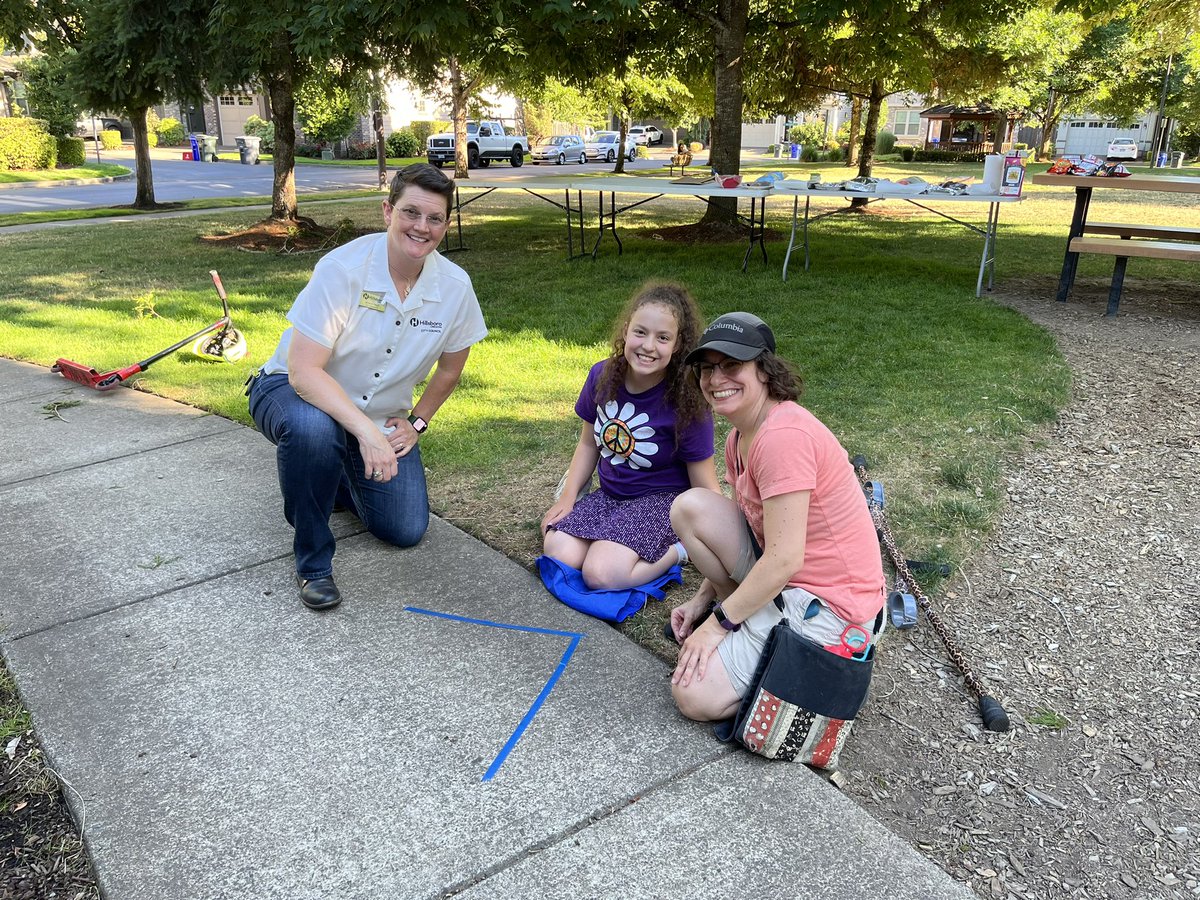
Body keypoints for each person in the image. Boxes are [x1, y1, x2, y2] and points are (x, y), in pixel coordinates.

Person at [248, 163, 487, 611]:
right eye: (410, 213)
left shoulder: (456, 287)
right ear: (387, 211)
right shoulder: (344, 269)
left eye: (435, 218)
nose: (421, 227)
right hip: (290, 391)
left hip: (375, 416)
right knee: (313, 431)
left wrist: (416, 423)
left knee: (405, 529)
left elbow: (451, 368)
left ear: (447, 224)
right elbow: (304, 373)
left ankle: (330, 471)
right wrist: (368, 434)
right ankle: (313, 565)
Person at [667, 312, 885, 721]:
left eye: (732, 365)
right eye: (707, 368)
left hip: (835, 606)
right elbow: (754, 530)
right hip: (789, 581)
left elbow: (785, 558)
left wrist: (717, 627)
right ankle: (753, 624)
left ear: (765, 371)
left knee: (693, 697)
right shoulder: (739, 436)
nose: (716, 380)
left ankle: (772, 642)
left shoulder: (783, 437)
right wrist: (703, 601)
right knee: (690, 508)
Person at [541, 282, 719, 591]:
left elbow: (706, 485)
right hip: (611, 495)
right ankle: (612, 545)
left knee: (601, 575)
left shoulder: (687, 401)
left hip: (661, 503)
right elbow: (588, 444)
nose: (649, 346)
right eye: (641, 332)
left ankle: (679, 551)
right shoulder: (602, 375)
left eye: (663, 338)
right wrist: (568, 499)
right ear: (626, 330)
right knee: (558, 551)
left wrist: (712, 537)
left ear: (677, 345)